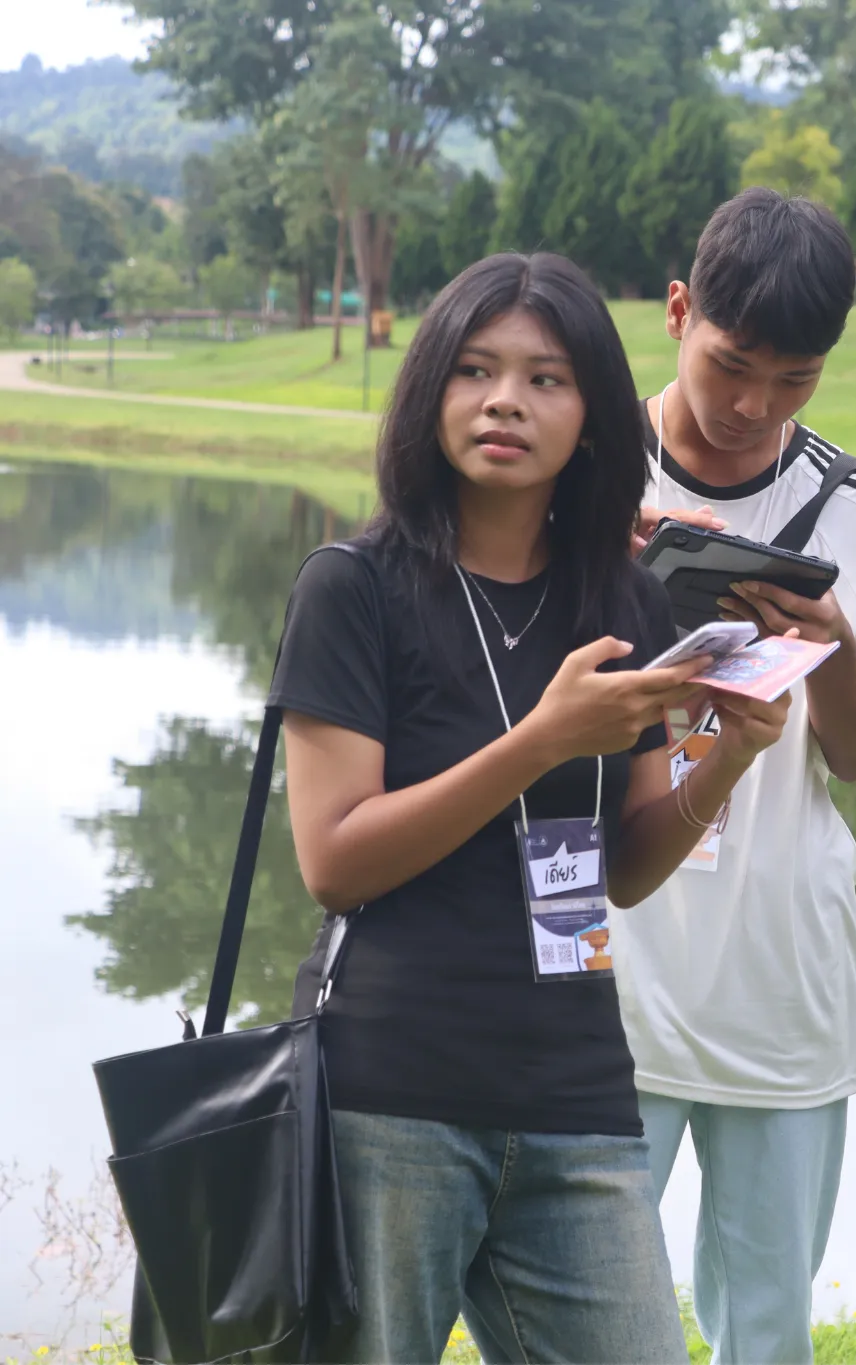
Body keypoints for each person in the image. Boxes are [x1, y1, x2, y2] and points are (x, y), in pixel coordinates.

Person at [272, 251, 791, 1362]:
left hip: (576, 1086)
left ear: (594, 417)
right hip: (389, 1089)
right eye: (473, 370)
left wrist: (724, 766)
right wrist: (538, 743)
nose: (504, 399)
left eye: (546, 379)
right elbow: (334, 861)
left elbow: (620, 869)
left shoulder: (623, 600)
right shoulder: (351, 589)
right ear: (429, 395)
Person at [617, 187, 856, 1363]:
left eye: (794, 379)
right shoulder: (585, 476)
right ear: (678, 312)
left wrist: (831, 640)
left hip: (779, 976)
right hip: (598, 978)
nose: (752, 406)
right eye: (731, 363)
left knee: (766, 1331)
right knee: (571, 1325)